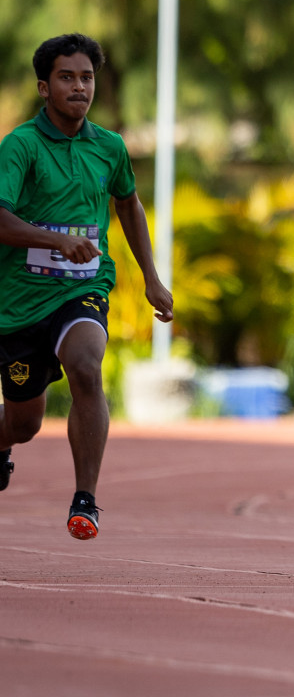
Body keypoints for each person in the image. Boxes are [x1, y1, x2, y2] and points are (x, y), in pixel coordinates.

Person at [0, 34, 174, 539]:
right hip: (20, 303)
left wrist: (152, 278)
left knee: (85, 365)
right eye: (67, 77)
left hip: (84, 288)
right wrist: (54, 240)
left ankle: (86, 499)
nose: (79, 87)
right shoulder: (20, 147)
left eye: (87, 77)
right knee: (24, 424)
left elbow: (128, 205)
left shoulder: (110, 147)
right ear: (43, 87)